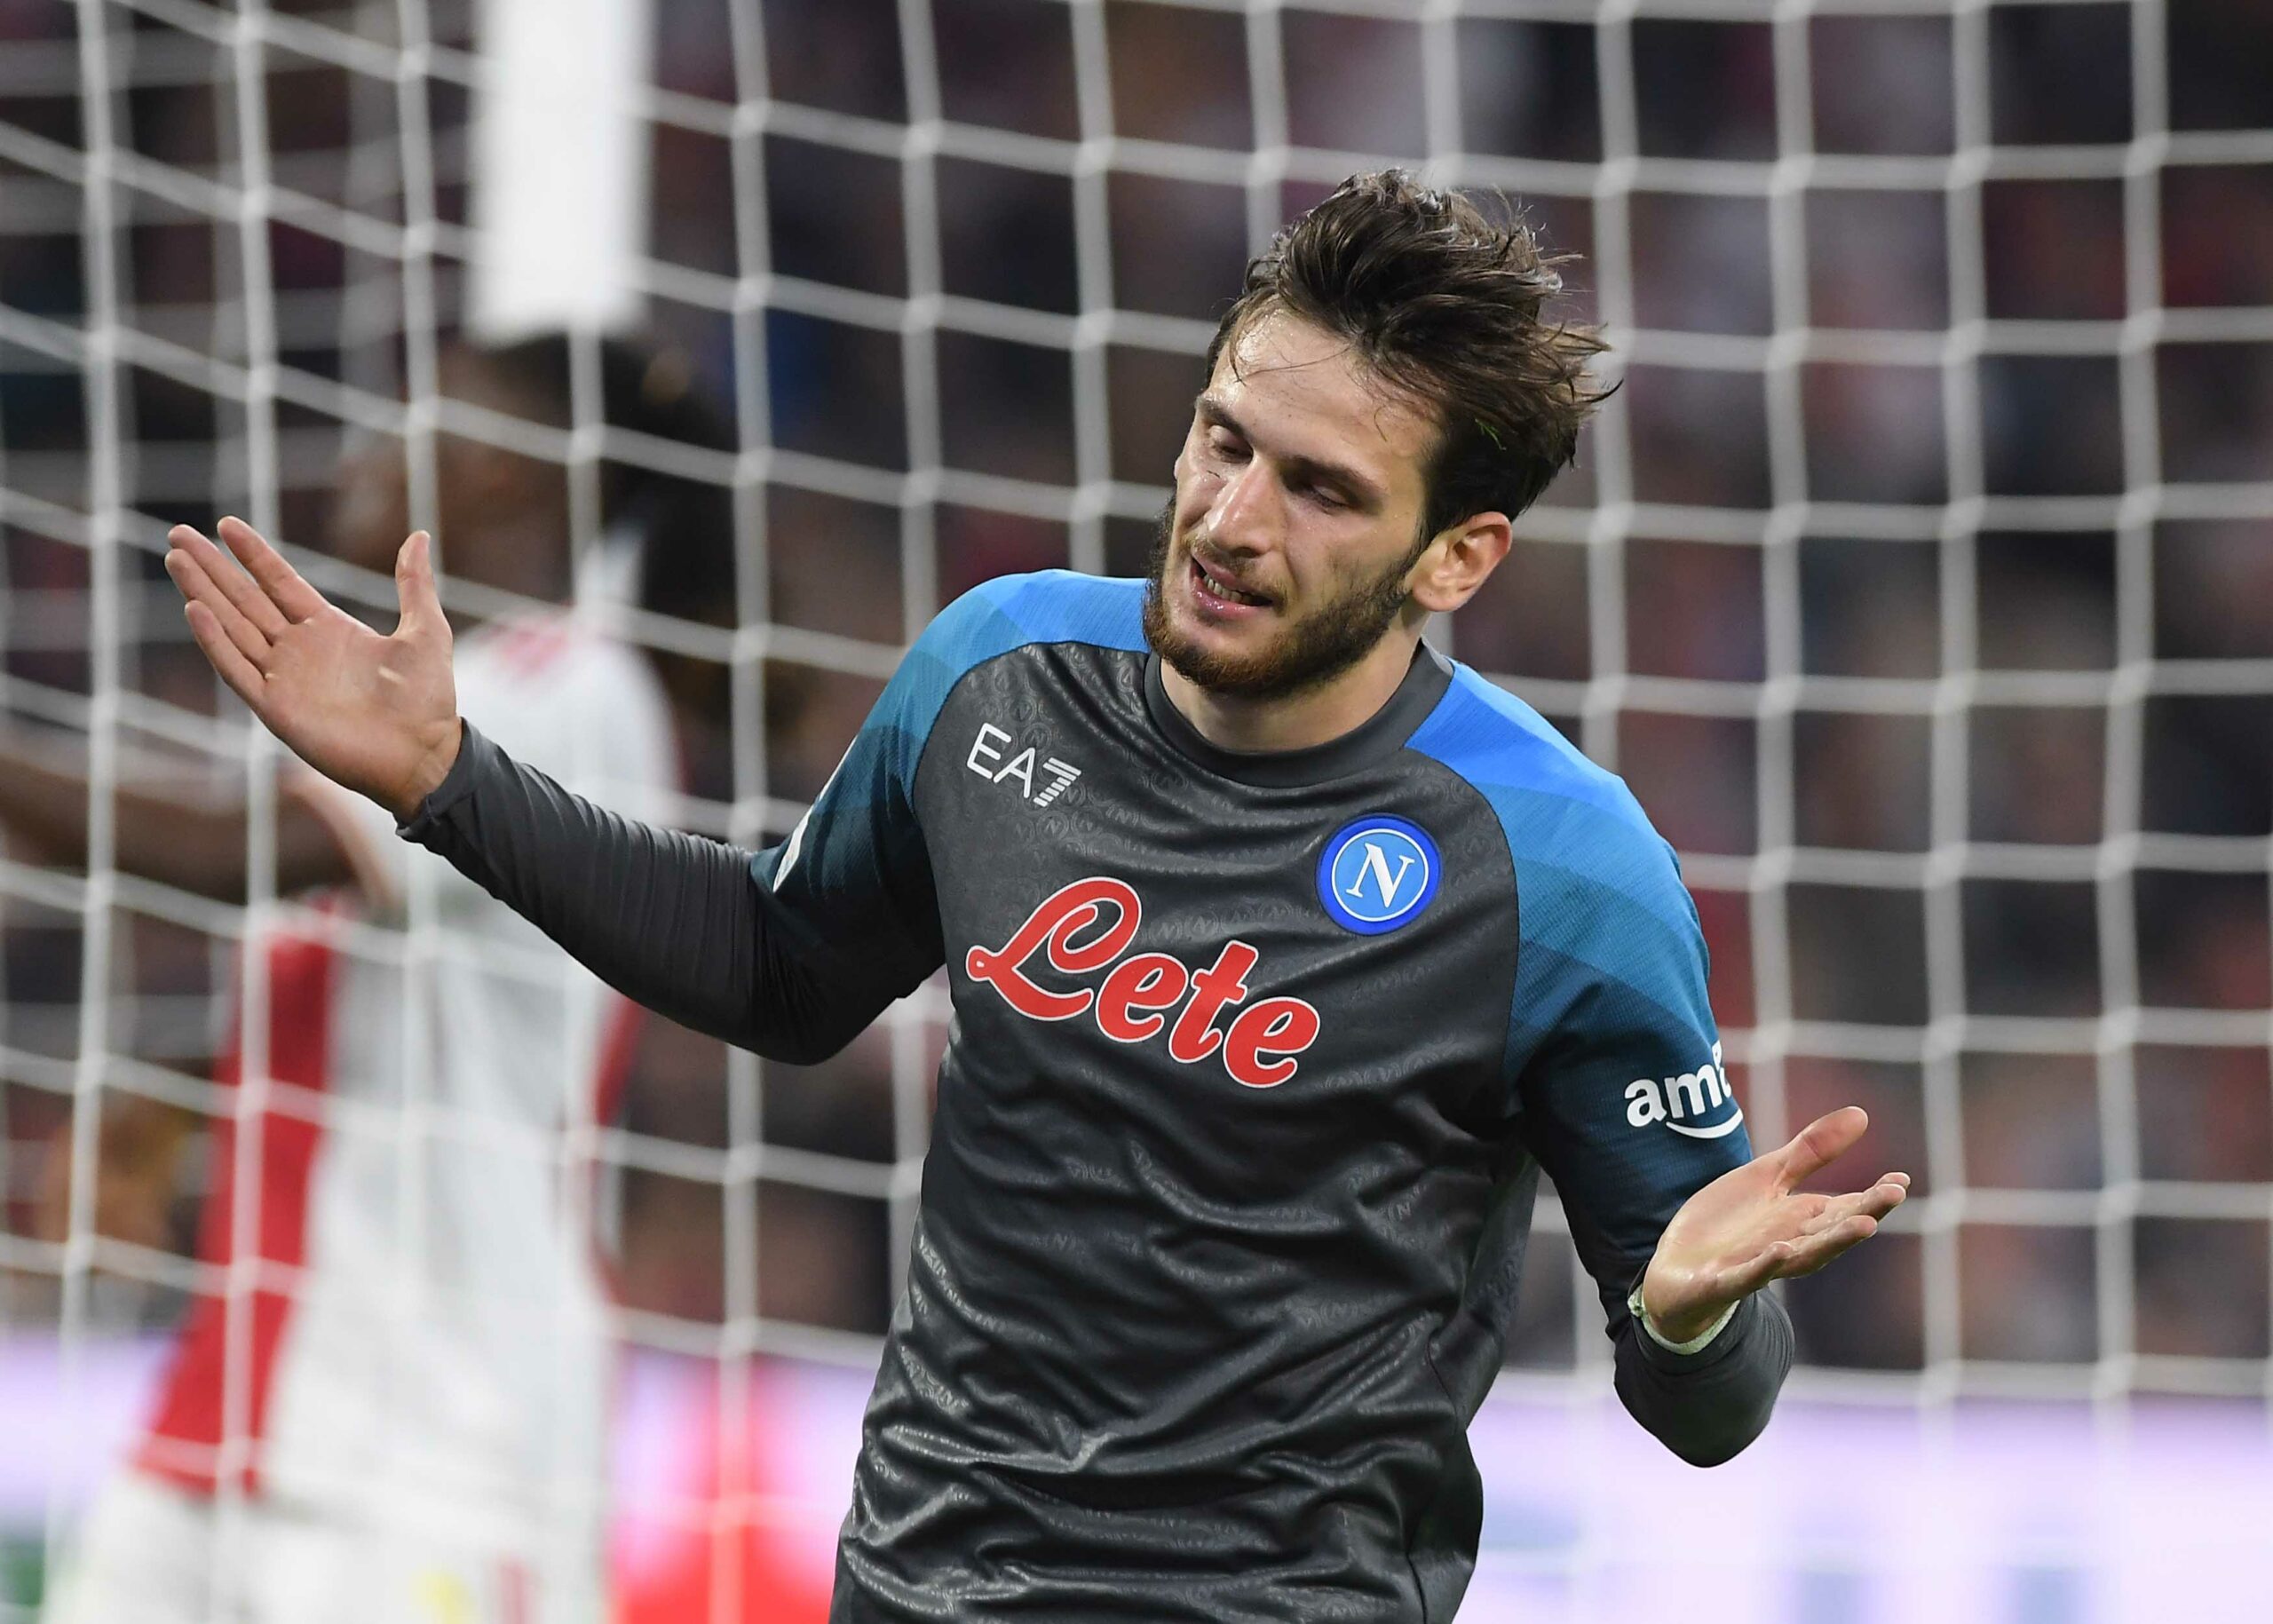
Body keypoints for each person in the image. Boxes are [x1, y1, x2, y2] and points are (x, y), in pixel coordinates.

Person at [164, 172, 1910, 1622]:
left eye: (1319, 490)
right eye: (1223, 440)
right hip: (918, 1588)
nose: (1229, 519)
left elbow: (1710, 1407)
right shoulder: (1000, 673)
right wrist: (448, 781)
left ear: (1456, 555)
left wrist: (1686, 1313)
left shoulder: (1562, 869)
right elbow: (784, 966)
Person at [25, 333, 733, 1624]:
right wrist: (179, 1096)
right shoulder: (386, 711)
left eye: (412, 423)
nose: (363, 454)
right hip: (240, 1414)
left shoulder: (571, 690)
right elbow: (371, 985)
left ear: (511, 470)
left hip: (441, 1444)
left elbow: (228, 856)